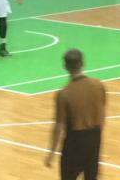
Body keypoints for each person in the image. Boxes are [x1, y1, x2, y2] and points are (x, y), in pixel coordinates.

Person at [45, 49, 106, 179]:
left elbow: (59, 126)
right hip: (94, 137)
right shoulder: (98, 85)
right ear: (83, 63)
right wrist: (97, 137)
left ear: (65, 67)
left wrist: (51, 153)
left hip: (75, 141)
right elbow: (102, 115)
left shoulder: (64, 94)